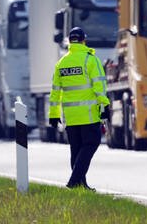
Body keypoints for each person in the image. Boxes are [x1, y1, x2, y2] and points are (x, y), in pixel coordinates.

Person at [48, 27, 110, 191]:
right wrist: (105, 106)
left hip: (70, 116)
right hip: (88, 115)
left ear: (69, 41)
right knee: (91, 144)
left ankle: (81, 185)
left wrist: (53, 115)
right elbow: (99, 86)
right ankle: (74, 181)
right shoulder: (90, 60)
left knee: (76, 150)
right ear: (84, 40)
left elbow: (55, 93)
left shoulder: (61, 63)